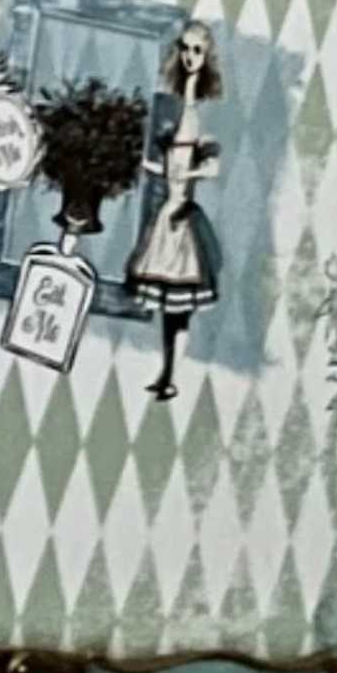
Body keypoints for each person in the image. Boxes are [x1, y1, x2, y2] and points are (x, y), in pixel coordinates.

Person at [121, 25, 224, 403]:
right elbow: (167, 165)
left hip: (182, 220)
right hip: (167, 218)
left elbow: (211, 166)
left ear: (207, 55)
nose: (189, 56)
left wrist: (190, 172)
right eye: (184, 49)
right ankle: (166, 374)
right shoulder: (182, 106)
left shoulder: (200, 114)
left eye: (197, 50)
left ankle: (171, 375)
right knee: (168, 310)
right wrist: (150, 166)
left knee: (179, 310)